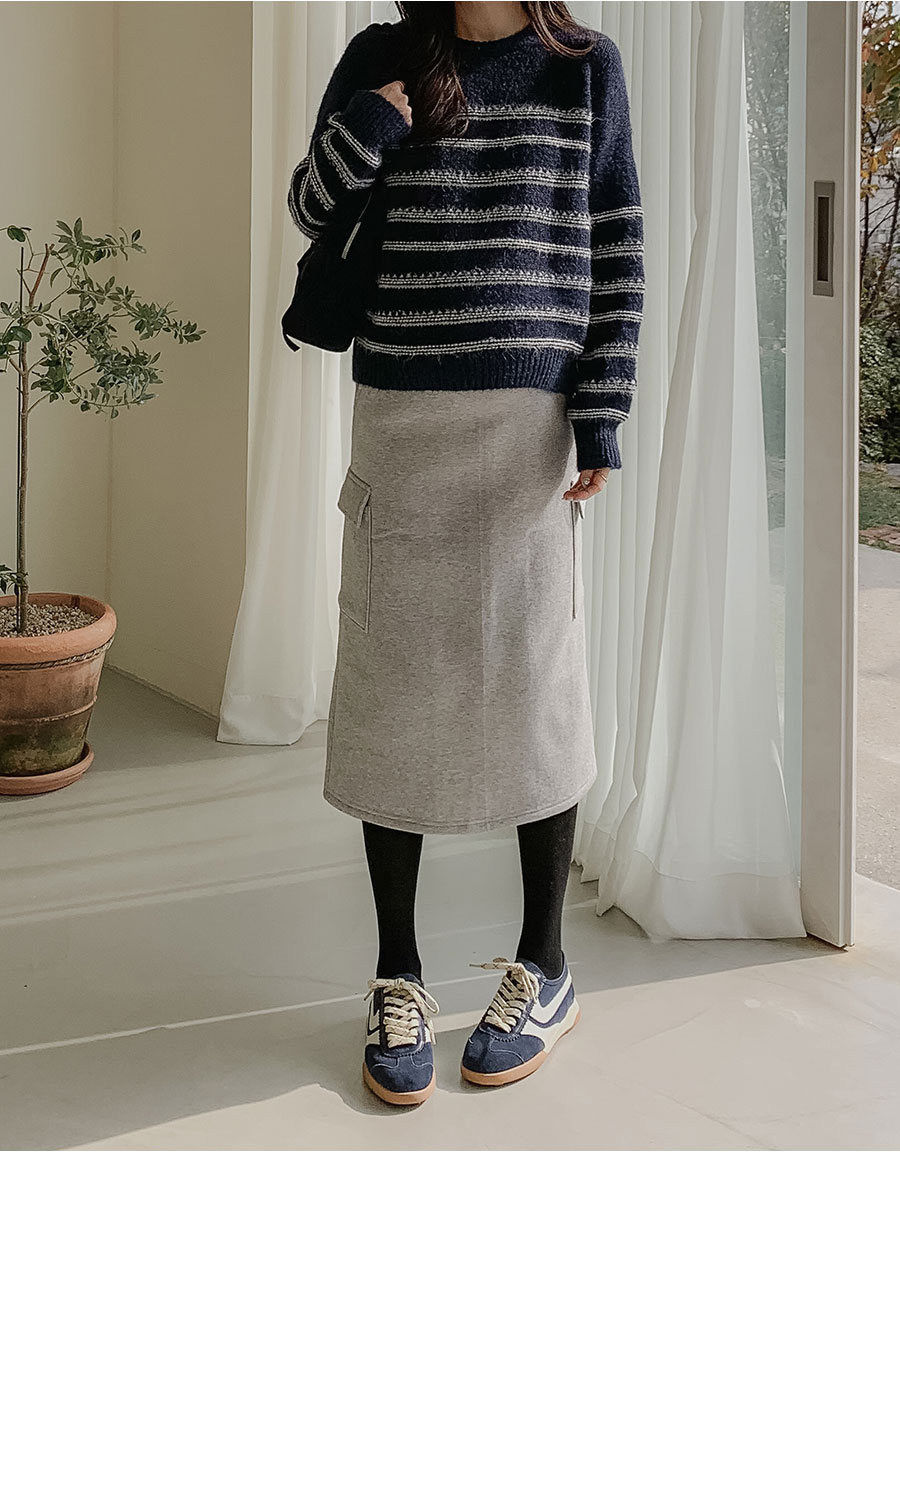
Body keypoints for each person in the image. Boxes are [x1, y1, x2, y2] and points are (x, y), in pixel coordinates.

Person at [288, 1, 643, 1106]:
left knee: (537, 685)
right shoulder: (382, 56)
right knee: (393, 684)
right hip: (402, 420)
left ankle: (546, 965)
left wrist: (601, 413)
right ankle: (397, 971)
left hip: (527, 431)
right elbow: (309, 205)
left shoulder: (586, 69)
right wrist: (370, 127)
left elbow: (617, 245)